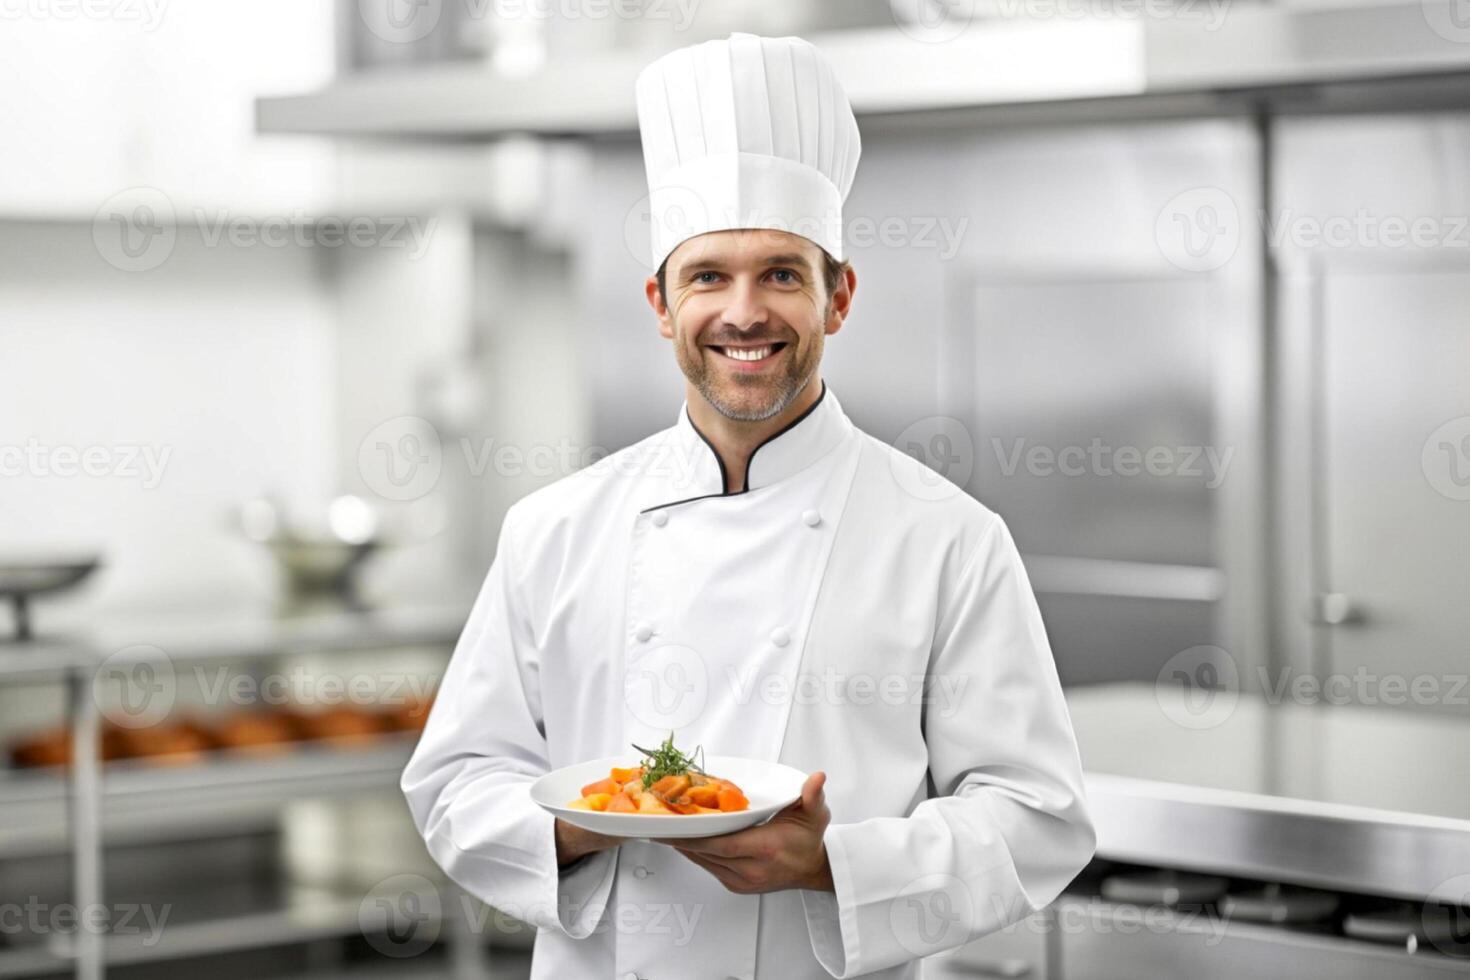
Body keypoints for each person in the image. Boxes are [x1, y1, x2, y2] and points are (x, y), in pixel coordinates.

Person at [402, 31, 1096, 980]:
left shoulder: (947, 538)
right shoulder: (554, 531)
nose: (743, 314)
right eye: (707, 276)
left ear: (838, 296)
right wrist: (575, 828)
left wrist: (834, 864)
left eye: (780, 273)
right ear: (659, 301)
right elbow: (454, 784)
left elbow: (1037, 816)